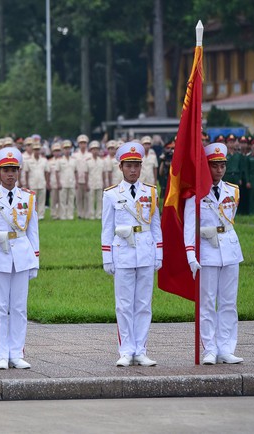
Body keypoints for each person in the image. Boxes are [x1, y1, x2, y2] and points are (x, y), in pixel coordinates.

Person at [101, 142, 162, 367]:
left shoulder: (151, 192)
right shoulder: (111, 195)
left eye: (137, 165)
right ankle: (126, 350)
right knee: (124, 304)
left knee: (144, 304)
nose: (134, 170)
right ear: (121, 167)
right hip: (123, 252)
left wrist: (159, 252)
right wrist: (107, 256)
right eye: (129, 166)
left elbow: (156, 225)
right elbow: (106, 228)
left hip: (146, 249)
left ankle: (141, 350)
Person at [0, 146, 39, 370]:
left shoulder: (28, 197)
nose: (10, 174)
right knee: (1, 308)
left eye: (14, 169)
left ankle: (17, 352)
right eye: (6, 170)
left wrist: (35, 259)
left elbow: (33, 231)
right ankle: (2, 354)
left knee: (20, 308)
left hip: (22, 255)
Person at [184, 143, 244, 365]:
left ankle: (227, 348)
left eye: (222, 165)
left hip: (229, 248)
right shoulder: (196, 194)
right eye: (214, 166)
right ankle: (210, 348)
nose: (219, 170)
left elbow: (229, 221)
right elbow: (189, 225)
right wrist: (191, 254)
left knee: (229, 302)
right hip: (207, 251)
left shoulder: (233, 190)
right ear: (206, 167)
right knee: (207, 302)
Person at [24, 141, 50, 220]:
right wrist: (27, 183)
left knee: (42, 200)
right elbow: (26, 172)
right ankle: (33, 215)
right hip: (32, 183)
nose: (37, 151)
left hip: (42, 182)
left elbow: (47, 172)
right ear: (32, 150)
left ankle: (41, 215)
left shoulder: (44, 160)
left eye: (38, 149)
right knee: (32, 200)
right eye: (35, 149)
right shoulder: (28, 160)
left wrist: (47, 182)